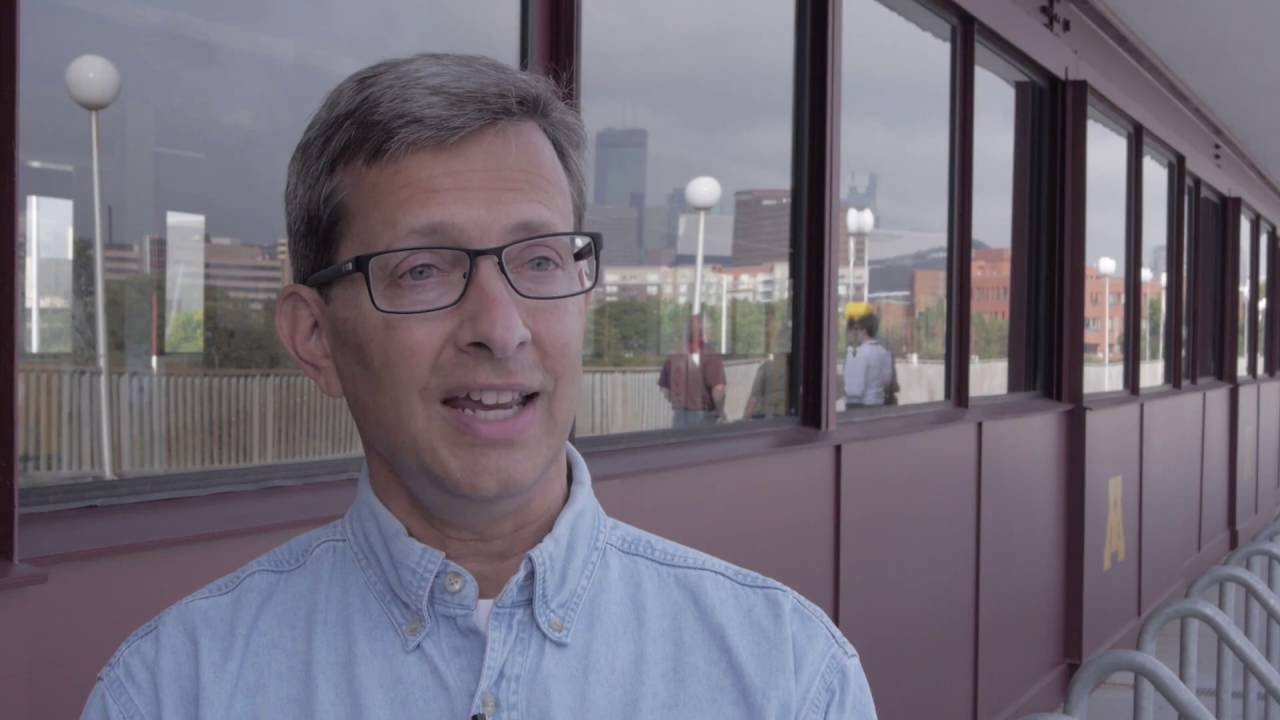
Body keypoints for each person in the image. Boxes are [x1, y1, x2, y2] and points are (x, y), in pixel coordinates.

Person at [81, 54, 876, 719]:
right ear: (315, 338)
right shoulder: (172, 690)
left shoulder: (787, 676)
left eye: (539, 261)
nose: (501, 326)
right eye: (423, 270)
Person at [657, 314, 727, 427]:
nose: (711, 329)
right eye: (710, 327)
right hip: (703, 417)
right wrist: (720, 412)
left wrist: (679, 403)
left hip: (679, 417)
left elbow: (664, 389)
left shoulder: (675, 353)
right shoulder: (709, 354)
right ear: (704, 330)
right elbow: (718, 390)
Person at [844, 304, 896, 408]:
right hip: (878, 405)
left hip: (859, 406)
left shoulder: (856, 353)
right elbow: (887, 382)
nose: (856, 333)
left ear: (863, 330)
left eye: (858, 329)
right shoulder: (885, 353)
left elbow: (853, 390)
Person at [744, 321, 790, 419]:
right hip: (787, 418)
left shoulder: (767, 366)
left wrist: (743, 421)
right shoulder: (799, 368)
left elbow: (754, 398)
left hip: (767, 418)